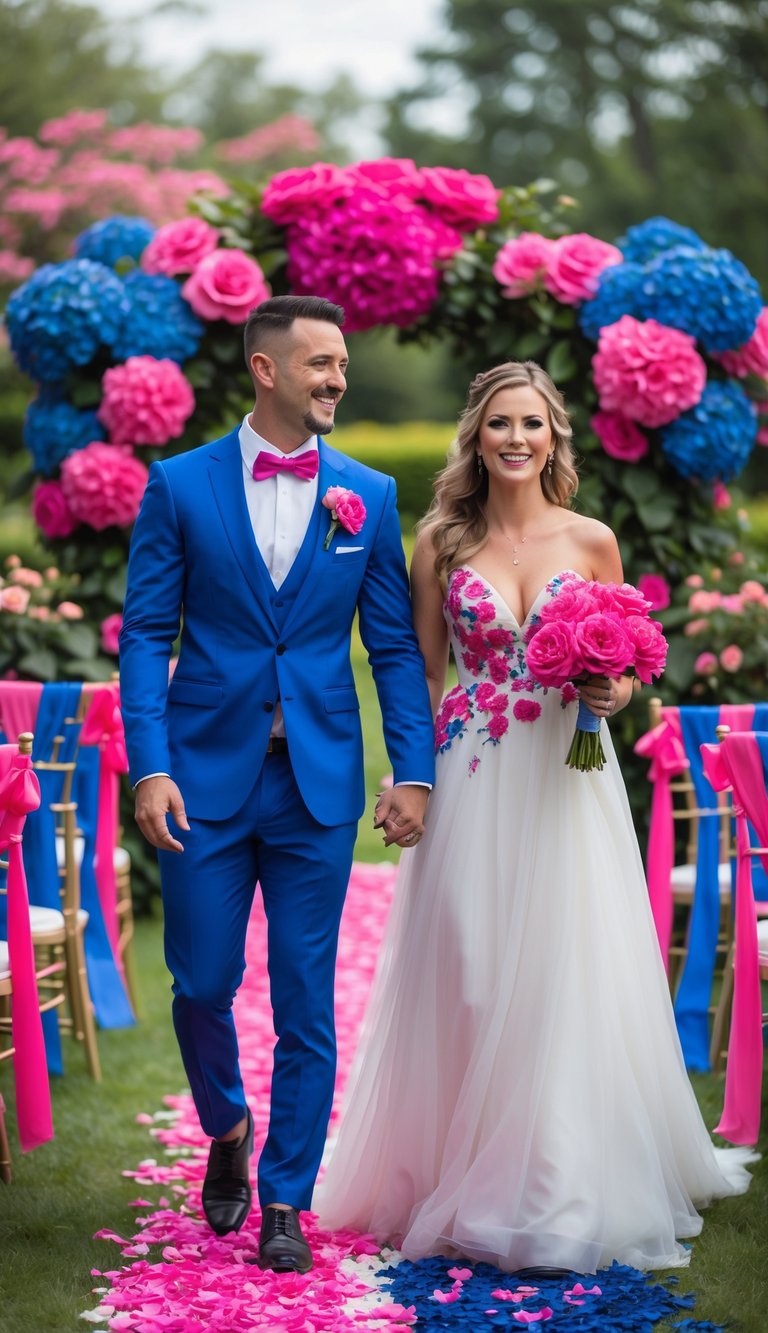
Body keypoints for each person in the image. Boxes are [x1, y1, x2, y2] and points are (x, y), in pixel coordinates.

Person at [315, 360, 755, 1274]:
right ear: (475, 436)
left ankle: (551, 1185)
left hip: (567, 780)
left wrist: (615, 686)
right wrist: (412, 776)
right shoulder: (437, 541)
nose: (517, 438)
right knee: (471, 967)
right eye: (500, 424)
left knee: (563, 971)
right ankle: (457, 1165)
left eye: (534, 424)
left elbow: (628, 672)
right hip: (471, 774)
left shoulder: (592, 539)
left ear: (555, 437)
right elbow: (418, 673)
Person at [118, 295, 435, 1274]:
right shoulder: (177, 487)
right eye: (321, 364)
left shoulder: (367, 496)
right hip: (201, 780)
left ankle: (286, 1197)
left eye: (341, 363)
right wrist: (151, 763)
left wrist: (413, 769)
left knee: (305, 999)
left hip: (319, 784)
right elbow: (143, 634)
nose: (338, 377)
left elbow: (391, 643)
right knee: (201, 980)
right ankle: (226, 1124)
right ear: (266, 370)